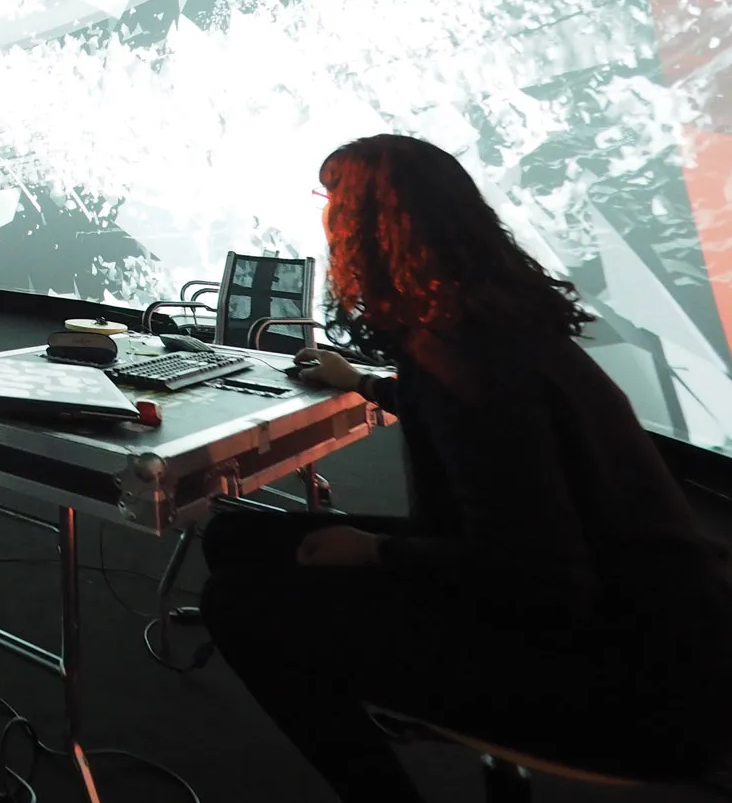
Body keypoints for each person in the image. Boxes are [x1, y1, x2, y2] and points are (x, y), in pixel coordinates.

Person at [200, 133, 732, 803]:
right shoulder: (484, 323)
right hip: (660, 625)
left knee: (238, 602)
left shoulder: (461, 355)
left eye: (330, 203)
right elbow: (470, 423)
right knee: (235, 537)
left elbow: (540, 580)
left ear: (366, 228)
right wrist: (369, 386)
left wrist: (378, 552)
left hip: (628, 679)